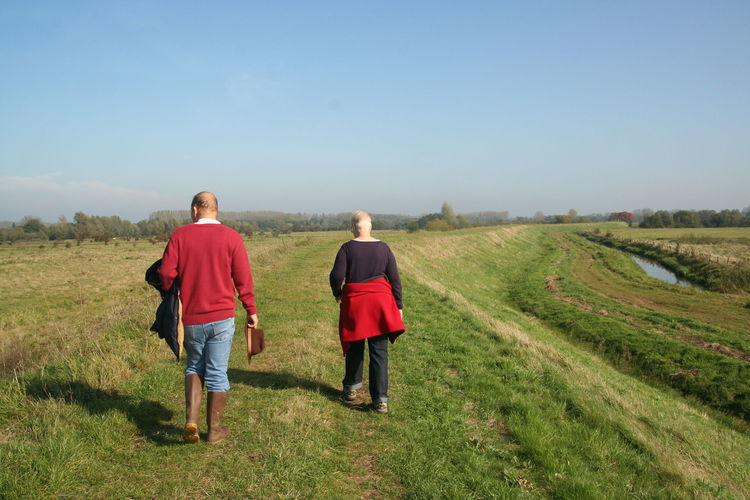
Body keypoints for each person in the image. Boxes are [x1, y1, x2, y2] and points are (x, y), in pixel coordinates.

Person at [158, 191, 258, 443]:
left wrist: (175, 287)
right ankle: (214, 431)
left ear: (194, 210)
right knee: (217, 371)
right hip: (222, 316)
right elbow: (243, 278)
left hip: (191, 316)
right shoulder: (232, 237)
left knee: (194, 365)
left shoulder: (180, 235)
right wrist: (251, 309)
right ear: (216, 210)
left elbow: (166, 273)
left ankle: (191, 421)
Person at [329, 210, 405, 414]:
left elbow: (336, 275)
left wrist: (338, 293)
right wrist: (398, 306)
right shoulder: (384, 248)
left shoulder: (347, 248)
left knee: (354, 346)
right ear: (370, 227)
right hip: (380, 305)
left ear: (353, 227)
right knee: (379, 351)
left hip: (356, 305)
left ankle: (351, 389)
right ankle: (381, 400)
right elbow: (395, 279)